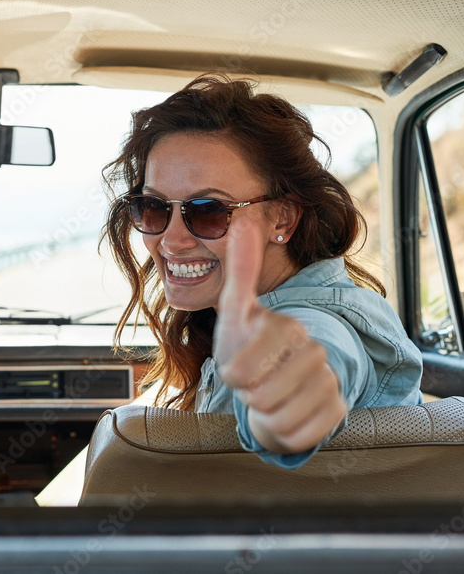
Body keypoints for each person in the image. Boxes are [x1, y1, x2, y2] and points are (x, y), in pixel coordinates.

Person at [102, 73, 422, 467]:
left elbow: (316, 354)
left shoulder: (319, 323)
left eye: (208, 212)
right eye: (153, 208)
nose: (170, 240)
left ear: (282, 220)